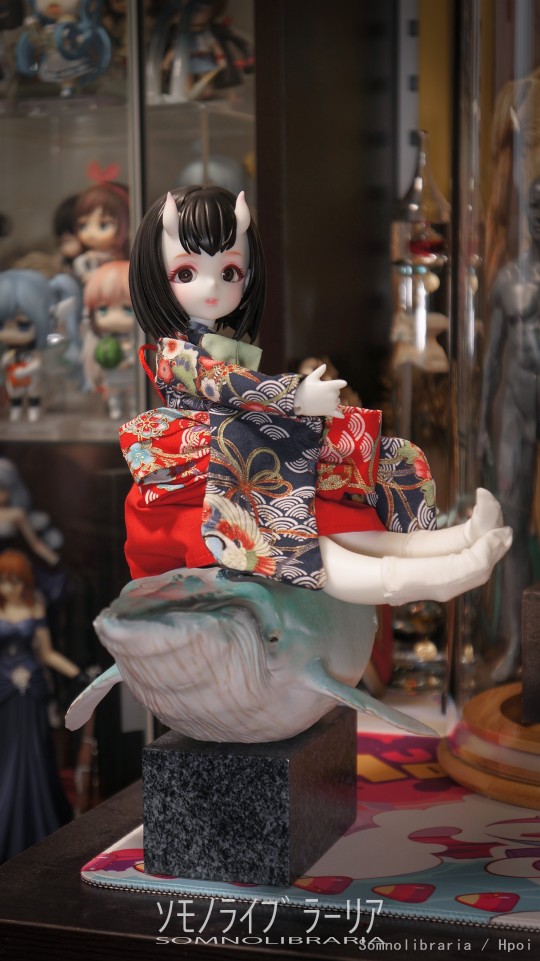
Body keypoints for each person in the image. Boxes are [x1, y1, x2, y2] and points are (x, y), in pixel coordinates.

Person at [121, 185, 511, 606]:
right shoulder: (174, 353)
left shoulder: (217, 342)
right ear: (155, 276)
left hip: (235, 453)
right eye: (186, 273)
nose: (211, 286)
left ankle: (442, 542)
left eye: (230, 272)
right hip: (198, 479)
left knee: (333, 485)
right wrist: (293, 396)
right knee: (291, 527)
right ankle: (422, 578)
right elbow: (220, 381)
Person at [479, 176, 540, 680]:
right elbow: (492, 360)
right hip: (516, 413)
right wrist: (481, 422)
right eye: (535, 205)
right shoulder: (507, 279)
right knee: (513, 524)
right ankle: (518, 641)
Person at [0, 550, 82, 863]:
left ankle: (37, 823)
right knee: (7, 756)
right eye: (5, 581)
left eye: (16, 581)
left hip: (32, 691)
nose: (10, 588)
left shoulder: (35, 605)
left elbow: (46, 654)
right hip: (4, 691)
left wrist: (78, 673)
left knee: (34, 753)